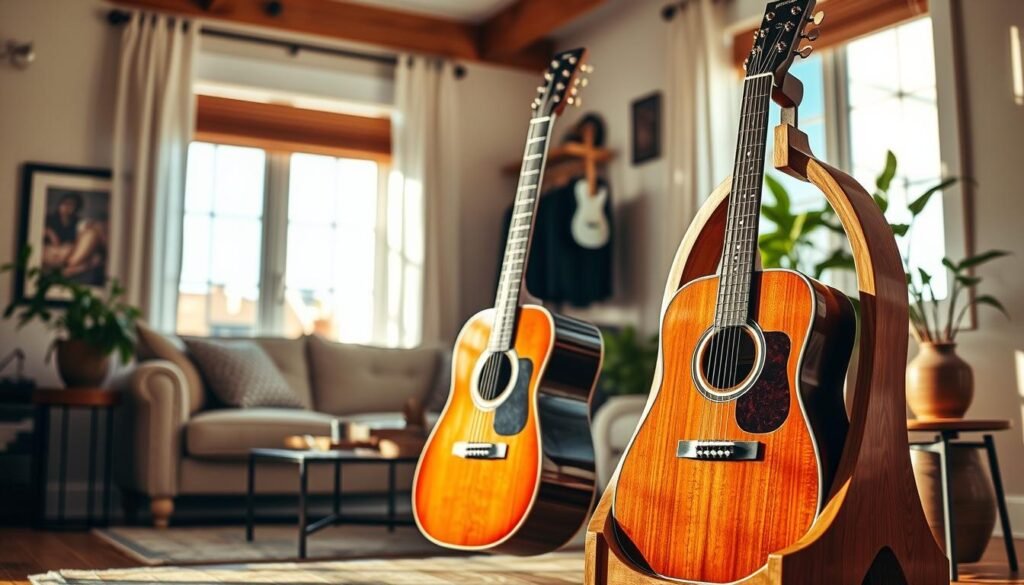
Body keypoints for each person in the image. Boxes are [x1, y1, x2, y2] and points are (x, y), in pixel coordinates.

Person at [41, 191, 107, 285]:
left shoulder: (77, 222)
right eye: (65, 204)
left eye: (71, 205)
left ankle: (70, 268)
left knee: (95, 231)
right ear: (60, 204)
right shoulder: (49, 219)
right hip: (56, 253)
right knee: (94, 259)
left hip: (71, 252)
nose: (67, 208)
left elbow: (82, 238)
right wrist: (51, 234)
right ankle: (75, 268)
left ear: (76, 208)